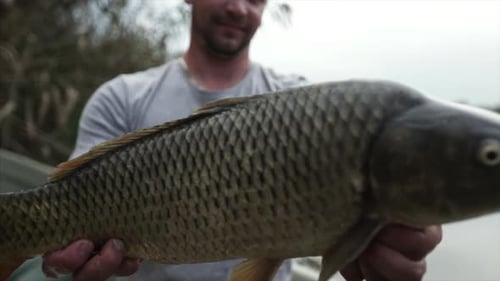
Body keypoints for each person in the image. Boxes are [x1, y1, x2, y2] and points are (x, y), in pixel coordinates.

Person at [38, 0, 442, 280]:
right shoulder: (122, 98)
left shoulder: (302, 109)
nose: (238, 8)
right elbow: (70, 203)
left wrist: (392, 243)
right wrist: (66, 251)